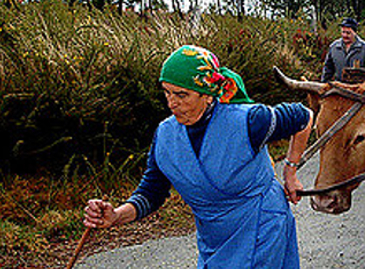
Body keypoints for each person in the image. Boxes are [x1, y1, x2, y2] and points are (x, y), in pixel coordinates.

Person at [83, 45, 313, 268]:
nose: (172, 103)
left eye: (182, 95)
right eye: (167, 92)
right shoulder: (165, 135)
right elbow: (151, 192)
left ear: (208, 94)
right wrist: (115, 216)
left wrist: (290, 171)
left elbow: (304, 116)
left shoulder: (249, 121)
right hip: (213, 239)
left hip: (261, 224)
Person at [321, 17, 365, 82]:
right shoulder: (334, 47)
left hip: (358, 88)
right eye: (343, 32)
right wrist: (324, 84)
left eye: (348, 33)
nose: (345, 35)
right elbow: (328, 69)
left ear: (355, 33)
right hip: (339, 86)